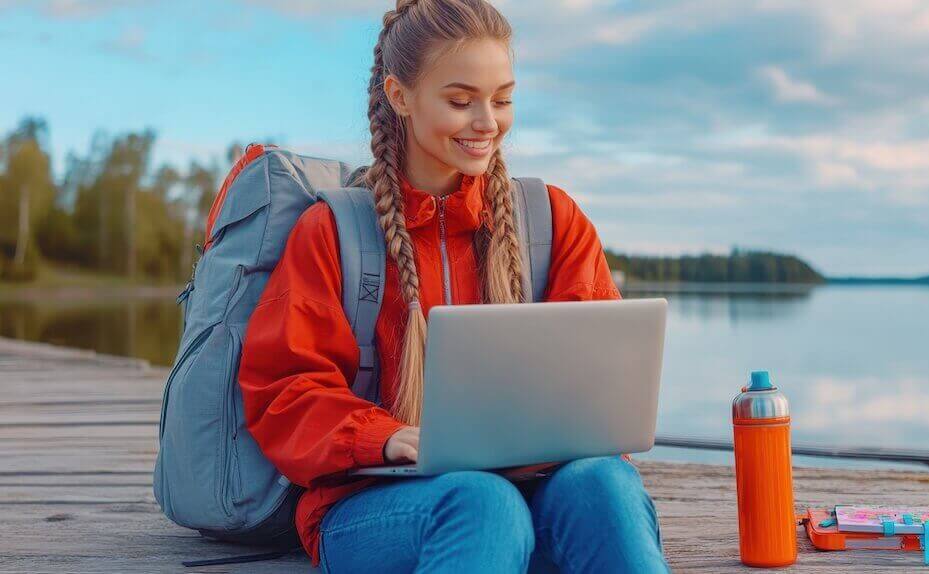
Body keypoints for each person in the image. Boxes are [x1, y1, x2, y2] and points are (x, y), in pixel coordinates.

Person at [237, 1, 670, 572]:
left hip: (534, 492)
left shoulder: (553, 220)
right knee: (482, 503)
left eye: (503, 98)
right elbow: (284, 391)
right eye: (461, 101)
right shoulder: (333, 233)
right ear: (400, 97)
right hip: (376, 509)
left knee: (604, 483)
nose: (488, 121)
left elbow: (599, 387)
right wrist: (384, 438)